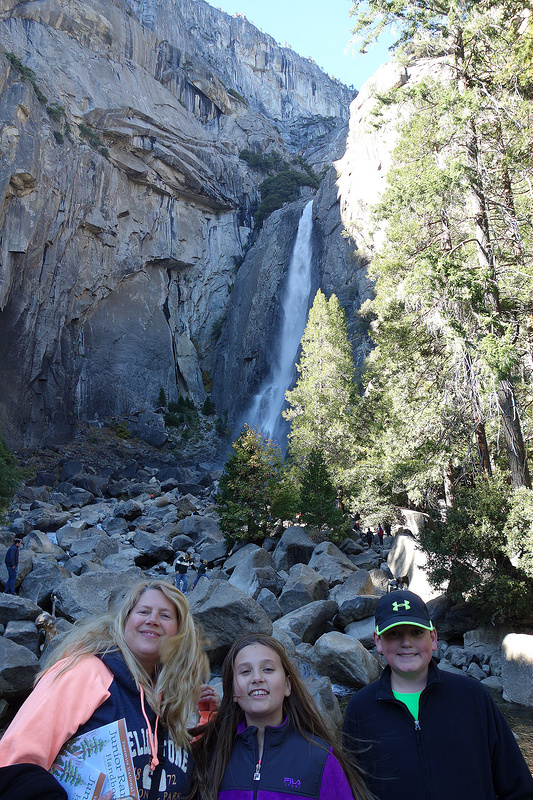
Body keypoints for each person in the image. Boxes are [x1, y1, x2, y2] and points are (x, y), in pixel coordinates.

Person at [0, 578, 218, 800]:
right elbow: (12, 765)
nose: (152, 620)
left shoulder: (172, 695)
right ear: (124, 621)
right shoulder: (84, 673)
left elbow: (182, 762)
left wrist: (207, 713)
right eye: (143, 611)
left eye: (165, 615)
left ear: (179, 632)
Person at [342, 590, 533, 800]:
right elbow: (353, 790)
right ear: (378, 641)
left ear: (433, 637)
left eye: (416, 632)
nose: (406, 643)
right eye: (394, 634)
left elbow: (519, 786)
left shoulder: (473, 697)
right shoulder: (360, 709)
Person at [191, 632, 373, 800]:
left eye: (268, 669)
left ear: (287, 686)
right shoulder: (211, 754)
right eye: (245, 671)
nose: (257, 678)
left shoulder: (320, 759)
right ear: (232, 691)